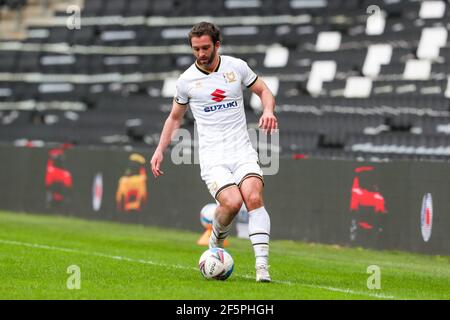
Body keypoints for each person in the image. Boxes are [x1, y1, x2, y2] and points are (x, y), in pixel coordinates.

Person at [150, 22, 277, 282]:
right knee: (232, 203)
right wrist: (160, 150)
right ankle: (216, 241)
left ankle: (262, 267)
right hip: (213, 157)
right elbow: (175, 118)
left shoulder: (236, 67)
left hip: (242, 151)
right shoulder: (186, 81)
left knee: (253, 197)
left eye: (205, 47)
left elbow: (263, 90)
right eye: (196, 49)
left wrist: (268, 110)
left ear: (217, 45)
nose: (201, 53)